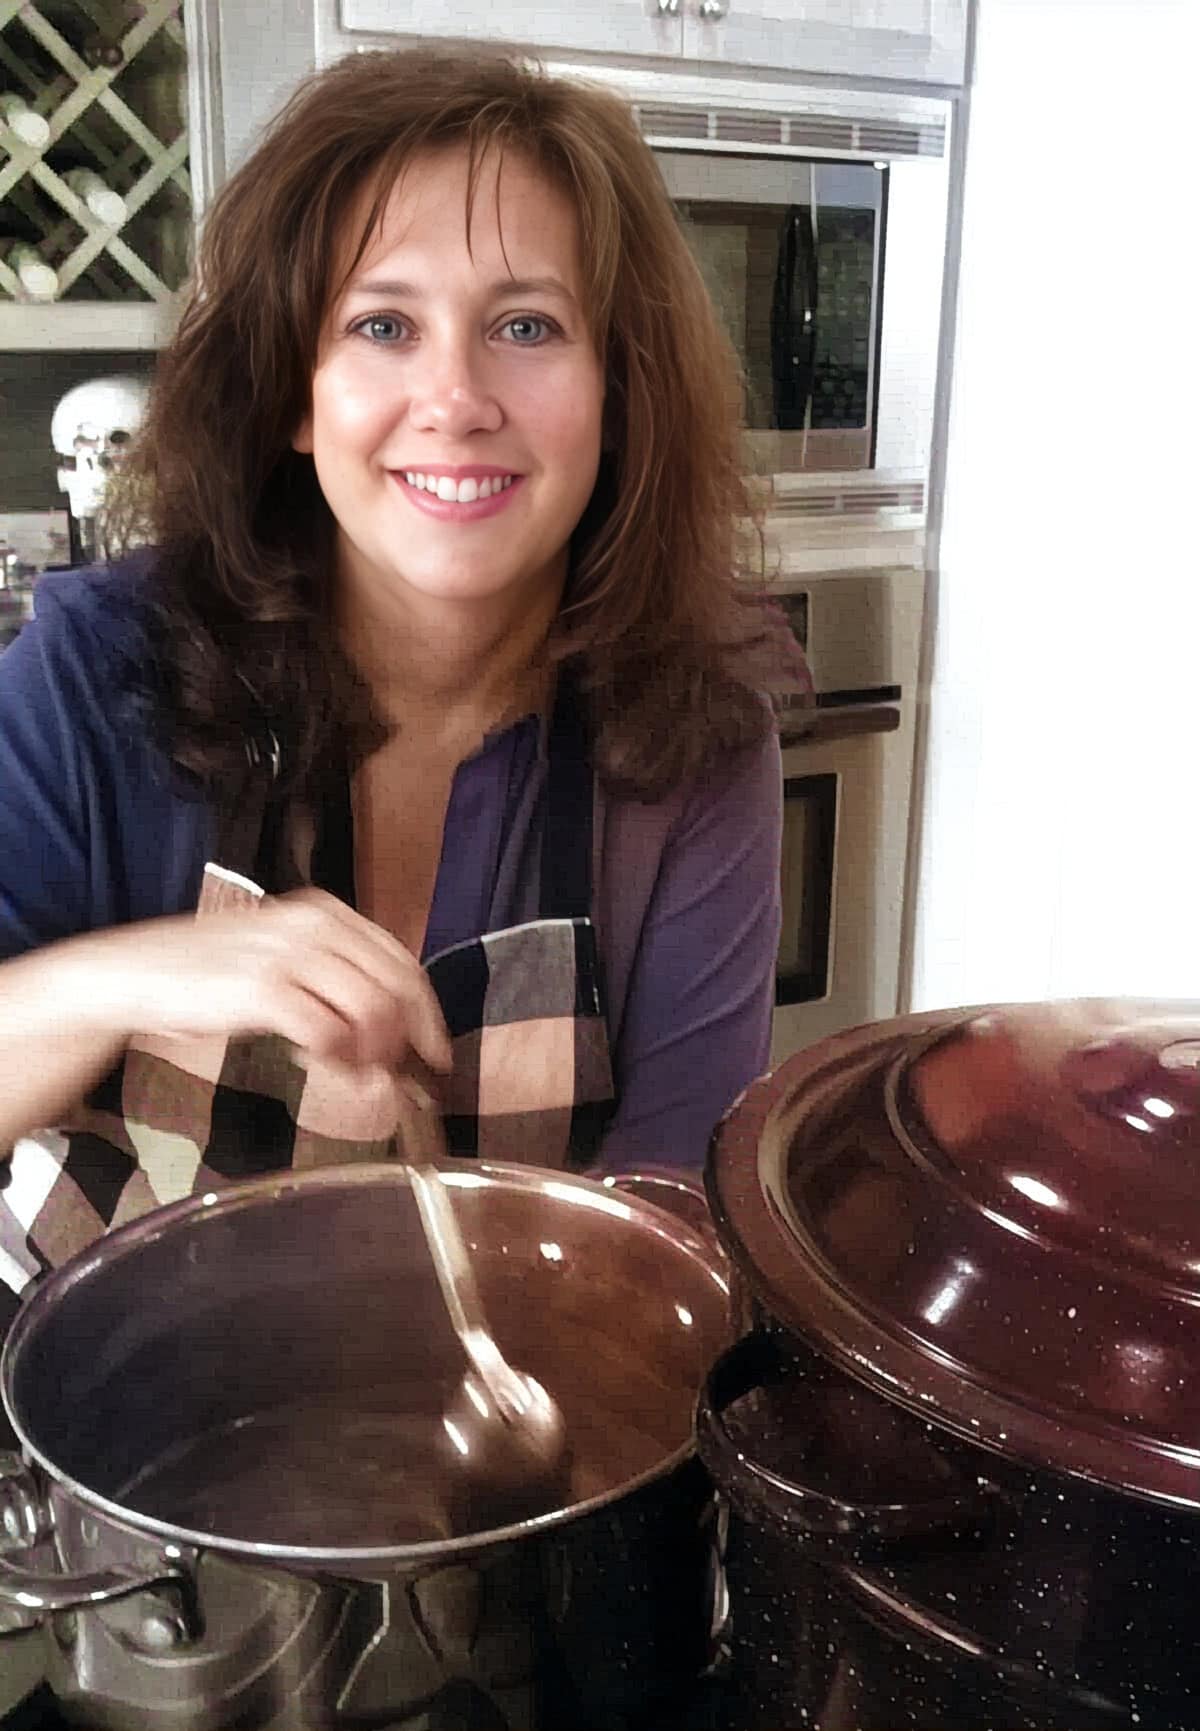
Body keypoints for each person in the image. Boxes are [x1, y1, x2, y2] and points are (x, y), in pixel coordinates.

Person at [0, 47, 801, 1325]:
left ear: (617, 392)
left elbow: (670, 1220)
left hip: (481, 1440)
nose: (457, 398)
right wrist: (139, 973)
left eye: (526, 327)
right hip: (80, 1453)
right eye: (384, 325)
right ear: (295, 398)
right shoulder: (96, 670)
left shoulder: (694, 743)